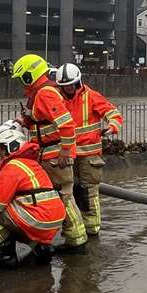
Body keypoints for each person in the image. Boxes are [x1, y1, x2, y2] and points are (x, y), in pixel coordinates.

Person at [0, 120, 65, 270]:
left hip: (37, 219)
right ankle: (42, 249)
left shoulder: (12, 168)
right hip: (53, 220)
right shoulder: (32, 164)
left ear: (12, 146)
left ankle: (7, 256)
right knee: (15, 215)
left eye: (0, 148)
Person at [11, 53, 86, 254]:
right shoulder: (40, 94)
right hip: (48, 154)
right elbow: (42, 122)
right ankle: (72, 238)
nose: (21, 84)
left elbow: (66, 125)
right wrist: (24, 122)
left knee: (64, 196)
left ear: (29, 76)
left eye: (22, 79)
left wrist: (64, 152)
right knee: (58, 196)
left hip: (55, 155)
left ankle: (76, 240)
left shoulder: (45, 93)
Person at [55, 62, 124, 239]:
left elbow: (113, 113)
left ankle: (92, 229)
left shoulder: (91, 96)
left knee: (88, 191)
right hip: (67, 154)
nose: (68, 89)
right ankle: (75, 227)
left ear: (78, 82)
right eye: (64, 86)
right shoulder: (58, 98)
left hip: (88, 154)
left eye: (70, 85)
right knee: (68, 192)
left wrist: (112, 127)